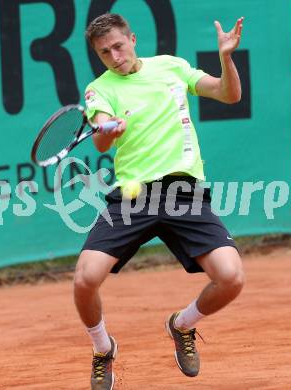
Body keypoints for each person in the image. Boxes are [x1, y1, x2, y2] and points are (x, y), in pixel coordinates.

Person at [74, 13, 245, 390]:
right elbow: (102, 139)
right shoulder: (99, 90)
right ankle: (103, 349)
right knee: (85, 279)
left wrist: (226, 57)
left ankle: (181, 325)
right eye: (104, 53)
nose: (114, 56)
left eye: (118, 46)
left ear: (133, 39)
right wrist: (108, 127)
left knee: (231, 278)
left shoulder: (171, 66)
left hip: (184, 192)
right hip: (132, 198)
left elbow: (229, 94)